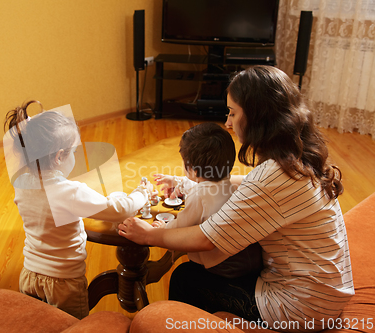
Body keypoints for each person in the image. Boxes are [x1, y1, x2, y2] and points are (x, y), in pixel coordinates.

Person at [118, 66, 354, 332]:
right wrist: (190, 183)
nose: (228, 123)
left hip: (301, 308)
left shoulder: (270, 177)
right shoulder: (299, 156)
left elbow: (206, 238)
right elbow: (241, 184)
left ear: (257, 116)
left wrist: (149, 235)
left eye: (232, 112)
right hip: (329, 292)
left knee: (186, 277)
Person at [3, 100, 153, 319]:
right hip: (63, 282)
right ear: (59, 156)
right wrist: (142, 192)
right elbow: (120, 210)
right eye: (73, 150)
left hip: (29, 275)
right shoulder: (69, 192)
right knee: (73, 325)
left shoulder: (22, 182)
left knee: (39, 323)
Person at [151, 122, 262, 278]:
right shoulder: (228, 184)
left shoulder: (199, 196)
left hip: (224, 267)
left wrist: (163, 228)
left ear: (192, 169)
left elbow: (180, 228)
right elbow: (206, 187)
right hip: (248, 257)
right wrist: (177, 182)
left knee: (182, 276)